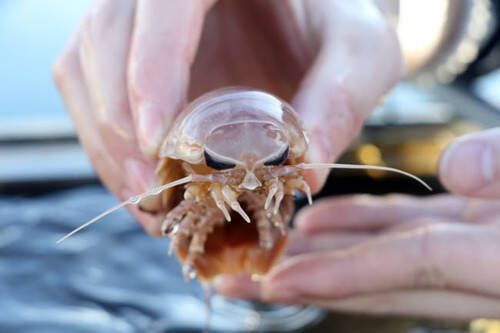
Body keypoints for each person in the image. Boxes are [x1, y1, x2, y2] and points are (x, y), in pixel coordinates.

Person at [53, 0, 500, 319]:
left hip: (265, 143)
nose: (249, 177)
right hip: (225, 151)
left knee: (265, 219)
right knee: (199, 223)